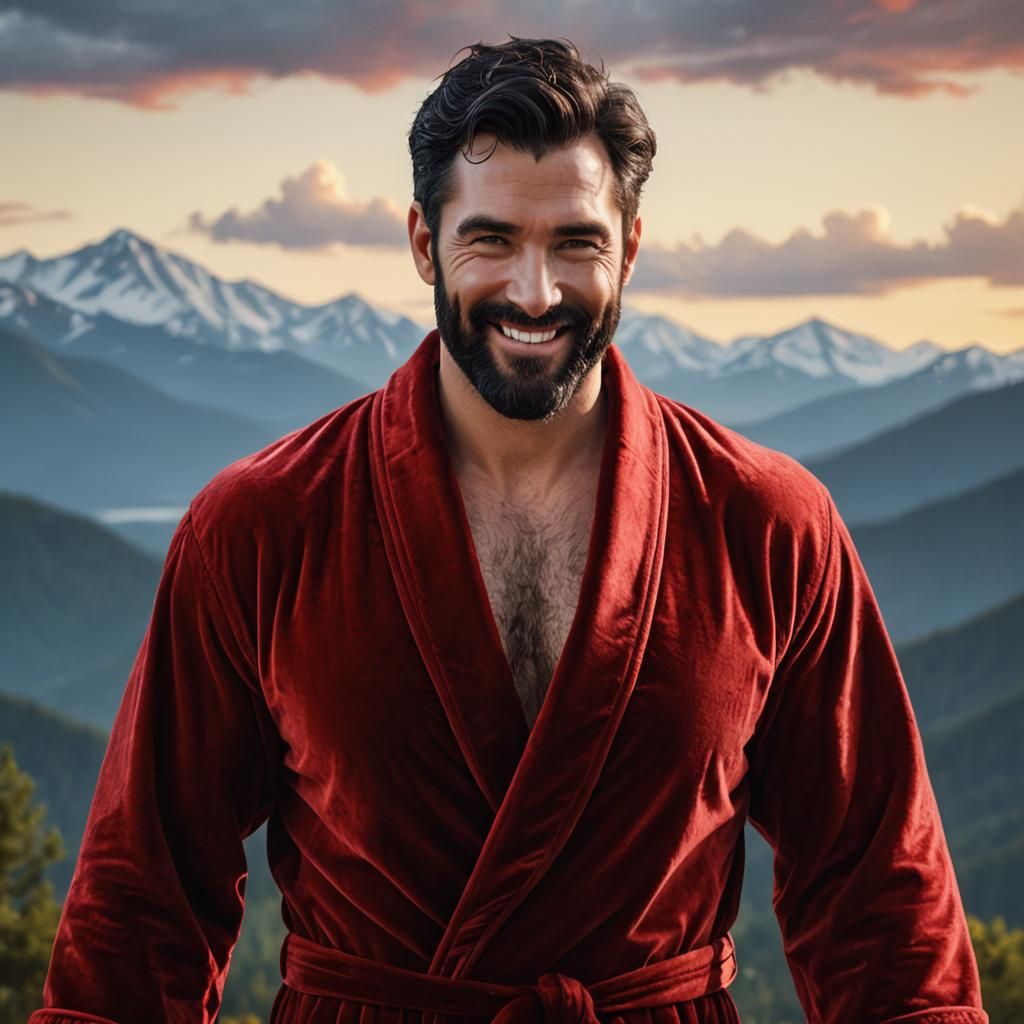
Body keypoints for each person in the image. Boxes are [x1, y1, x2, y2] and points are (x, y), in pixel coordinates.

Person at [31, 37, 987, 1024]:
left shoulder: (769, 522)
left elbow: (881, 897)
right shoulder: (263, 525)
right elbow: (142, 904)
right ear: (421, 243)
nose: (536, 293)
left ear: (631, 249)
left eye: (575, 243)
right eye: (491, 240)